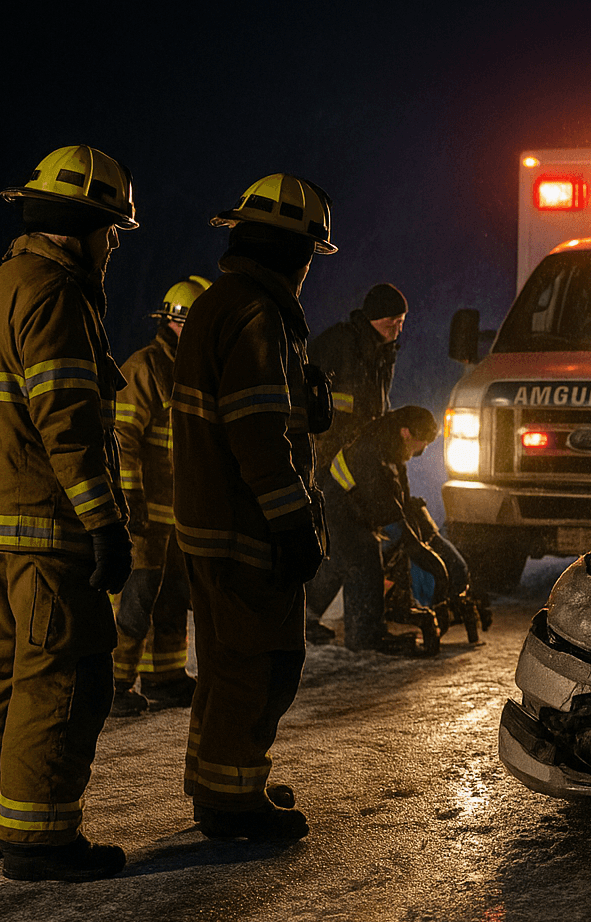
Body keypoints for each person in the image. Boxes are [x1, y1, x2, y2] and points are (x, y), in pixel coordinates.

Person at [0, 145, 137, 882]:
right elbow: (69, 427)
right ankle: (40, 837)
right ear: (84, 228)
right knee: (63, 677)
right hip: (45, 531)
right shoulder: (56, 296)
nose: (113, 246)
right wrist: (106, 524)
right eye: (111, 231)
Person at [172, 173, 334, 842]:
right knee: (262, 665)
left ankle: (220, 781)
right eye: (309, 254)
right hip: (248, 530)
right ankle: (233, 799)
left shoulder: (221, 303)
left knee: (225, 663)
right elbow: (259, 437)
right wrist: (294, 524)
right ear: (293, 252)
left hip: (211, 524)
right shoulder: (258, 315)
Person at [111, 276, 211, 715]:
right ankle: (113, 685)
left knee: (173, 595)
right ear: (179, 322)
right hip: (146, 515)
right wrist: (130, 500)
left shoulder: (193, 371)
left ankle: (165, 676)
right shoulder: (145, 368)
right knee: (135, 598)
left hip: (179, 515)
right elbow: (122, 439)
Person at [307, 406, 461, 656]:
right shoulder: (371, 453)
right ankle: (364, 635)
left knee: (338, 562)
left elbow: (401, 503)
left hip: (349, 507)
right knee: (363, 559)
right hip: (338, 507)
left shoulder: (390, 448)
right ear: (406, 433)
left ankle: (305, 620)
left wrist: (416, 532)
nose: (420, 451)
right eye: (420, 444)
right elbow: (390, 514)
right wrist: (433, 564)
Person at [308, 283, 406, 469]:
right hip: (328, 452)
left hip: (358, 451)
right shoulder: (339, 342)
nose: (399, 329)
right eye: (395, 321)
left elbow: (377, 406)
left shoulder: (384, 354)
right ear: (378, 317)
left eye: (401, 322)